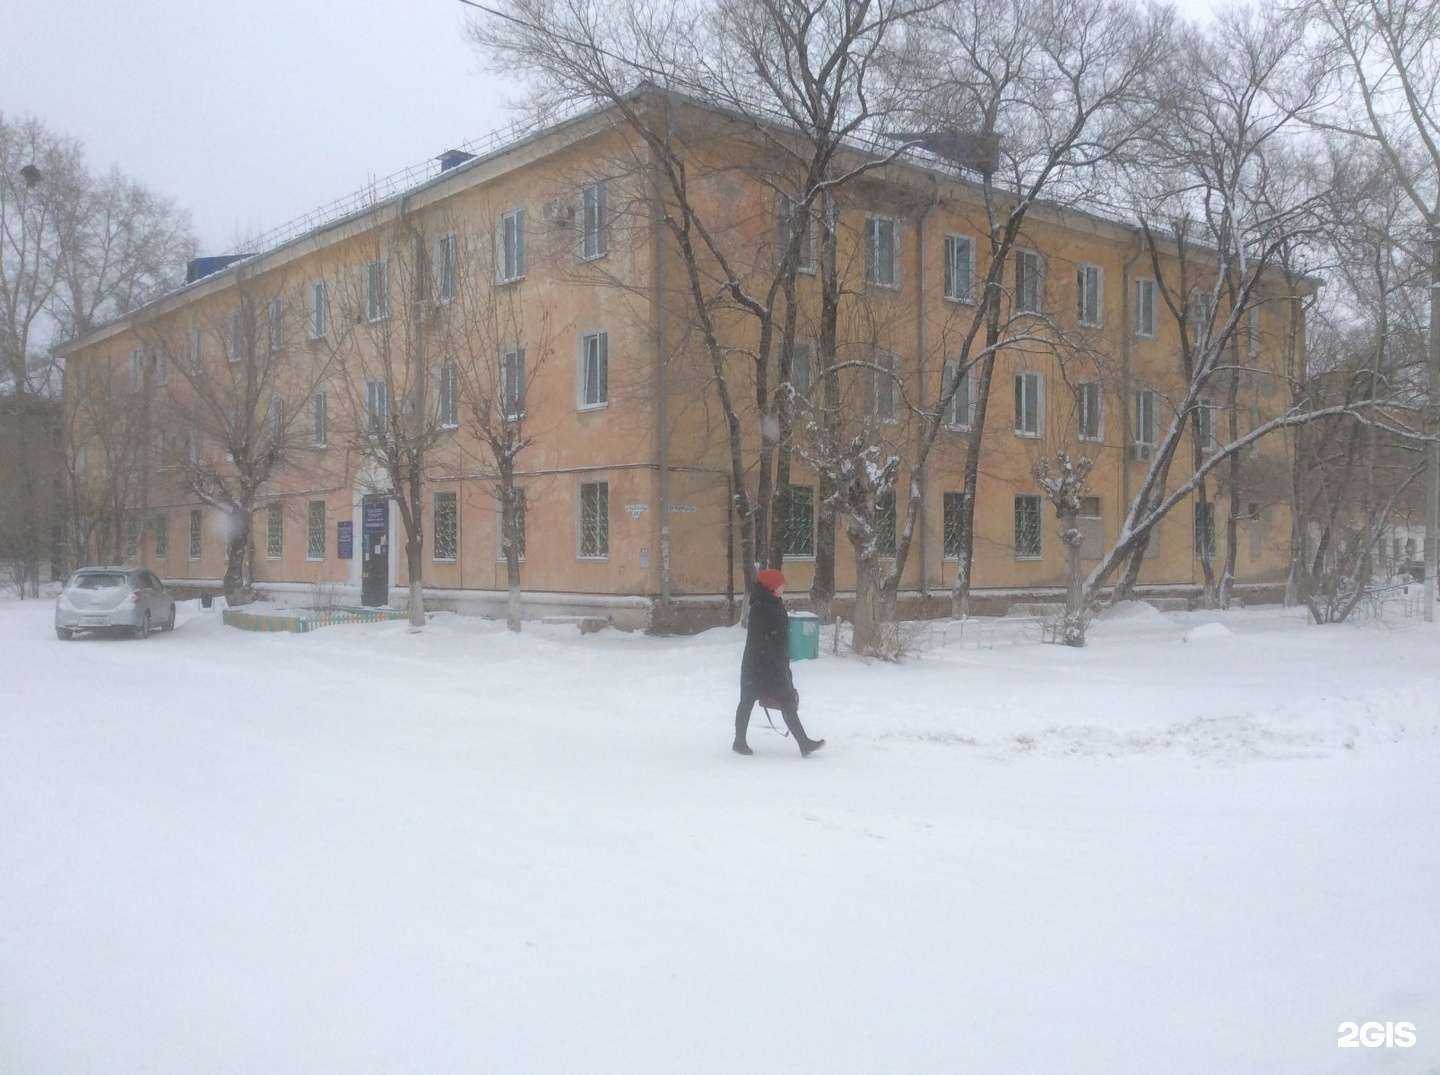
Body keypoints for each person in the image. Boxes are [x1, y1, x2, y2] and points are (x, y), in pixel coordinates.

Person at [734, 568, 825, 756]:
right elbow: (764, 641)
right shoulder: (763, 607)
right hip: (762, 666)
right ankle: (739, 741)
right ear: (772, 587)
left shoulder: (770, 603)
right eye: (781, 584)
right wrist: (777, 665)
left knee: (781, 701)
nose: (784, 587)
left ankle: (804, 743)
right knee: (753, 701)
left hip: (766, 664)